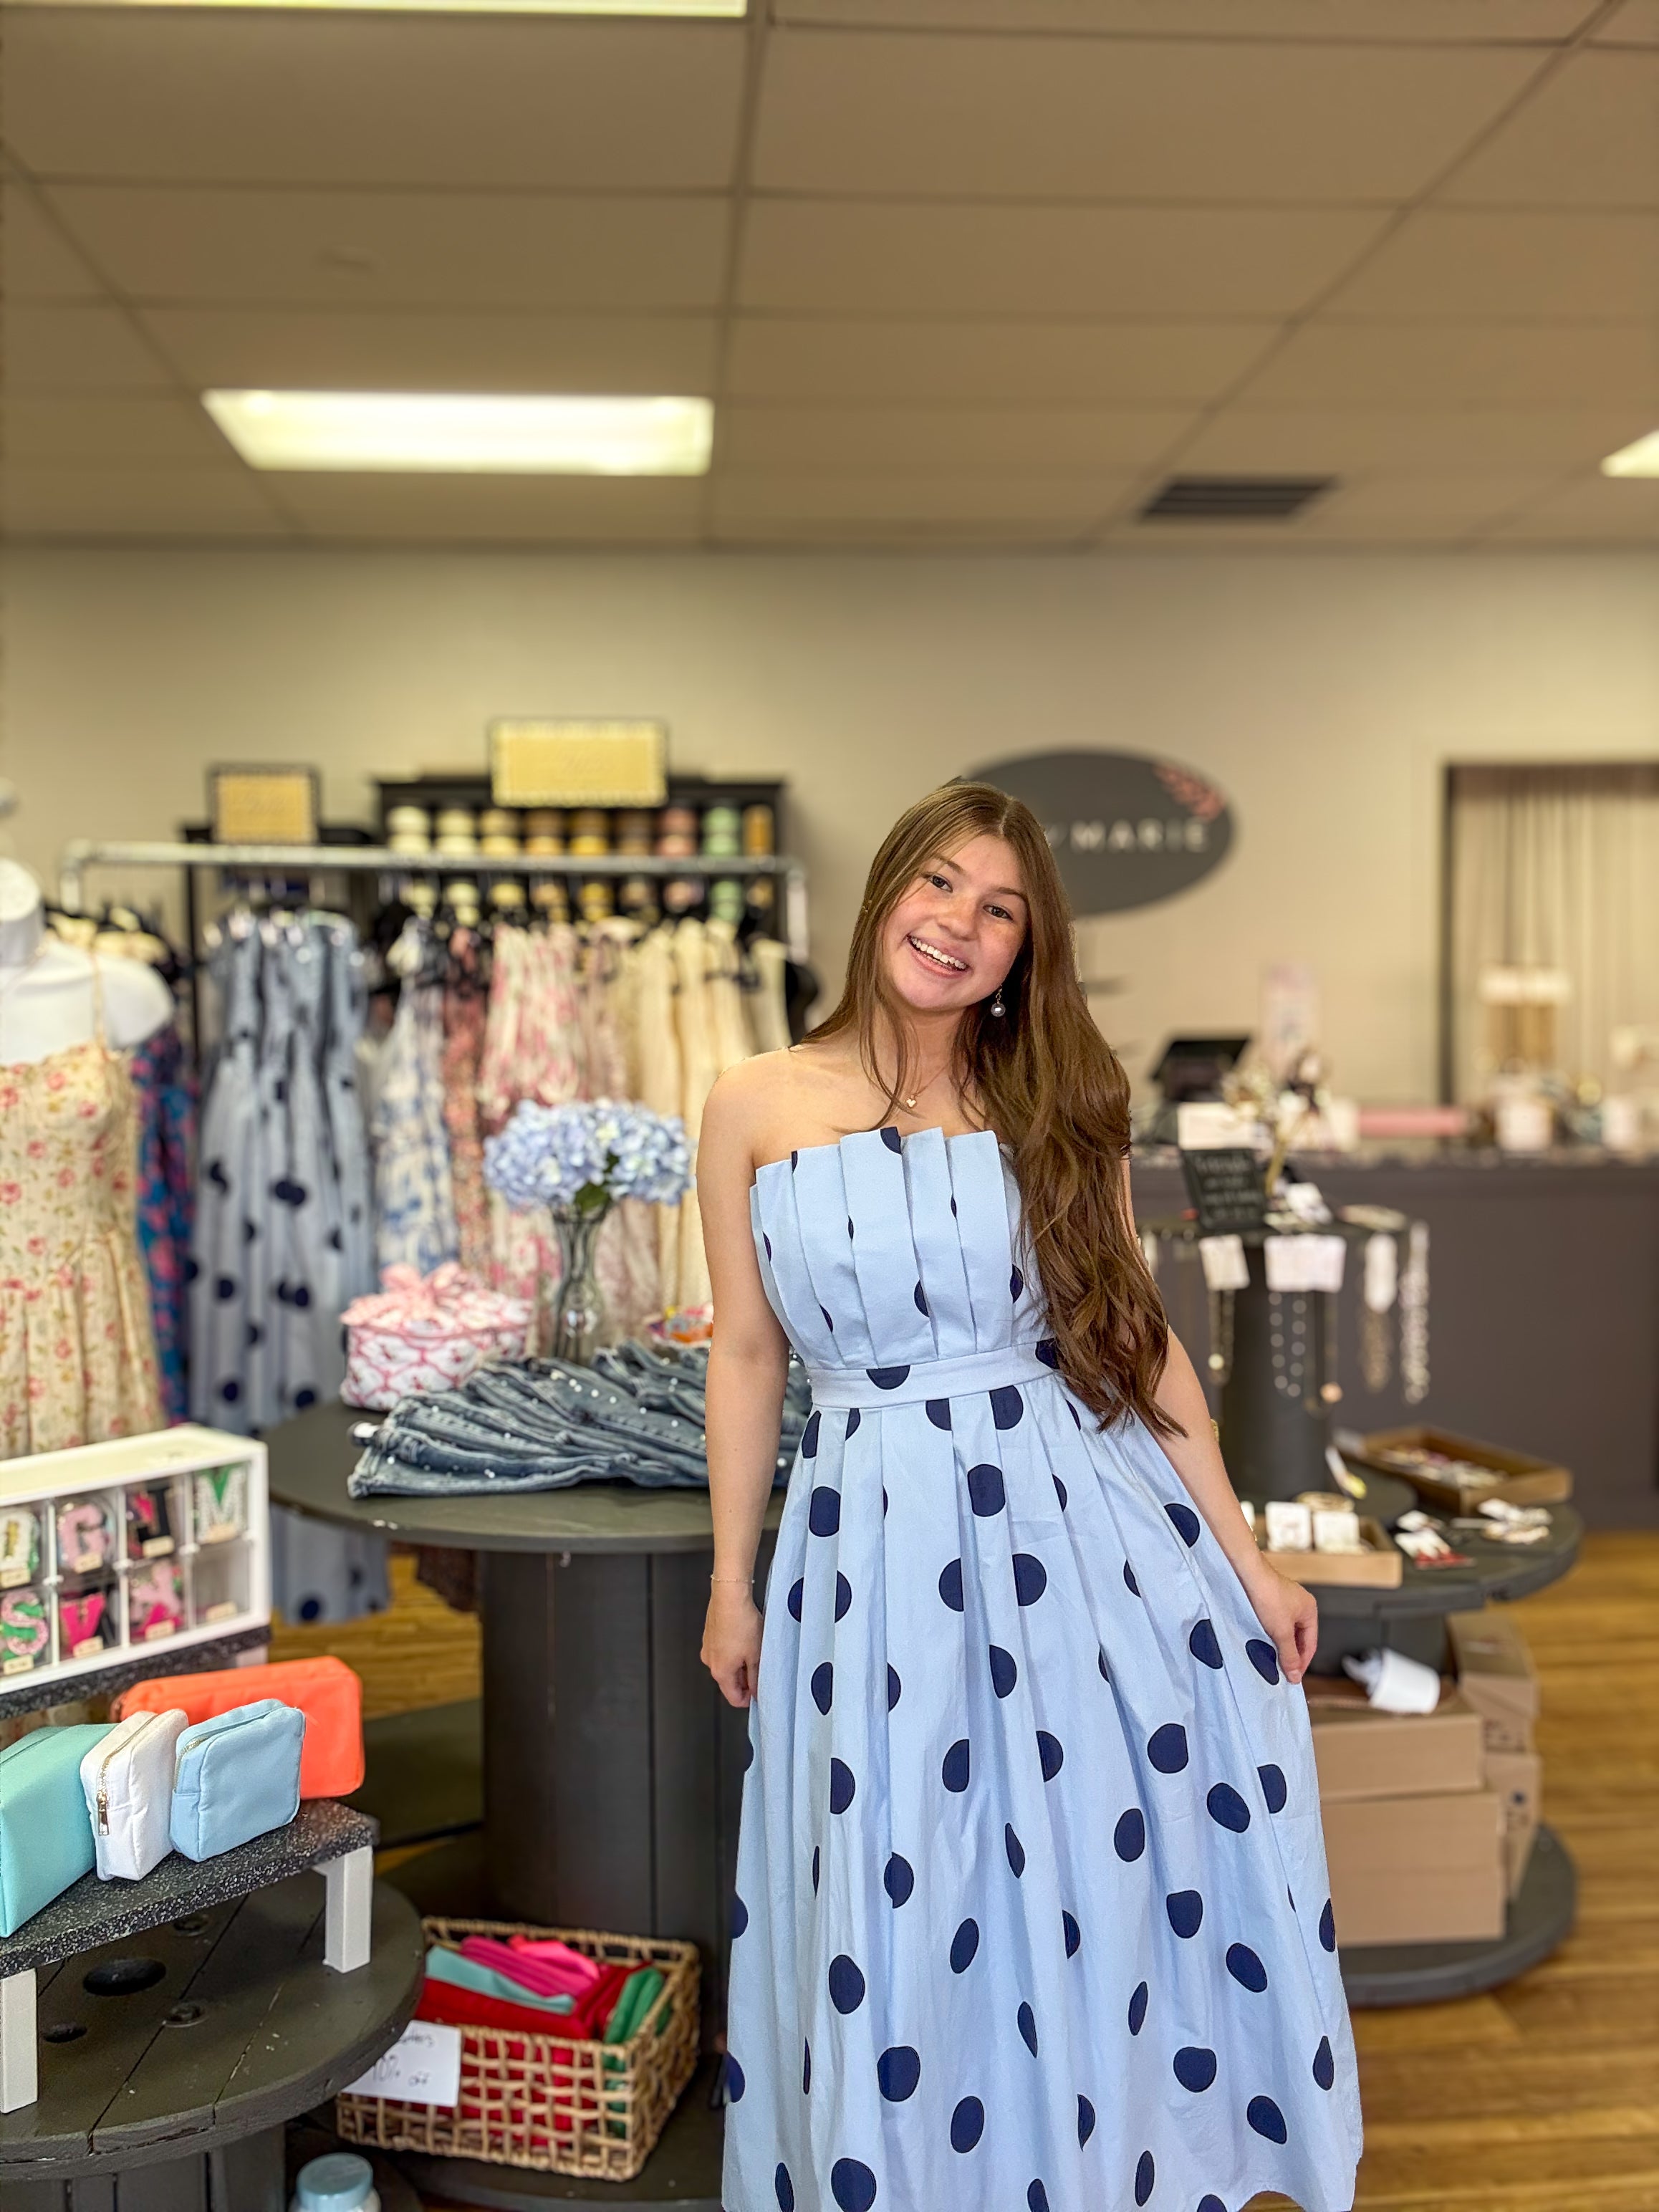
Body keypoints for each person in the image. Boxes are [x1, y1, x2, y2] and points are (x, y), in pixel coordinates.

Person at [697, 783, 1362, 2212]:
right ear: (886, 890)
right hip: (867, 1545)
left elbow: (1136, 1332)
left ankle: (1092, 2158)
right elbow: (749, 1353)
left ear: (1023, 949)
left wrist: (1249, 1564)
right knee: (897, 1873)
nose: (958, 923)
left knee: (1080, 1864)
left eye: (999, 909)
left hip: (1075, 1527)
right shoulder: (752, 1101)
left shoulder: (1056, 1096)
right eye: (940, 884)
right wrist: (729, 1580)